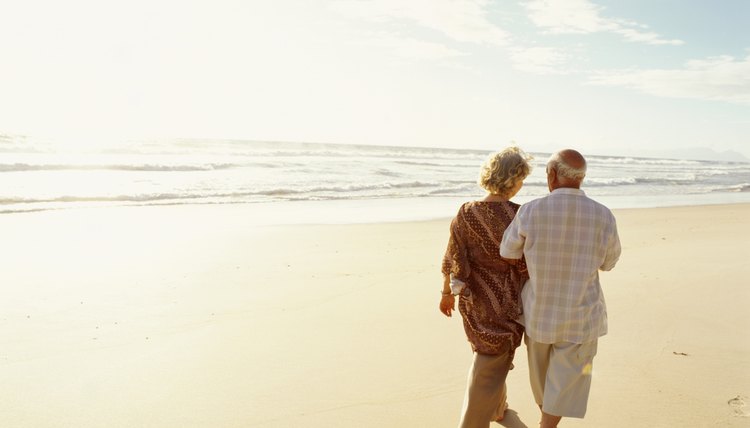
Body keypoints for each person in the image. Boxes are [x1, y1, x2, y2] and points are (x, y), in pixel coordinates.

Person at [500, 149, 621, 428]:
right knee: (567, 383)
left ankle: (546, 424)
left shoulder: (531, 210)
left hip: (539, 313)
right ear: (581, 178)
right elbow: (609, 263)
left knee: (542, 383)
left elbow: (508, 252)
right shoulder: (603, 215)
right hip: (582, 315)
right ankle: (548, 423)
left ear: (552, 175)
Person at [440, 146, 533, 428]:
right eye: (521, 180)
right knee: (491, 359)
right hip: (507, 299)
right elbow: (527, 262)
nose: (521, 186)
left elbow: (453, 255)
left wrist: (445, 293)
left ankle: (498, 407)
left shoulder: (467, 212)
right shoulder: (521, 215)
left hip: (474, 298)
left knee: (490, 355)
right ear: (513, 180)